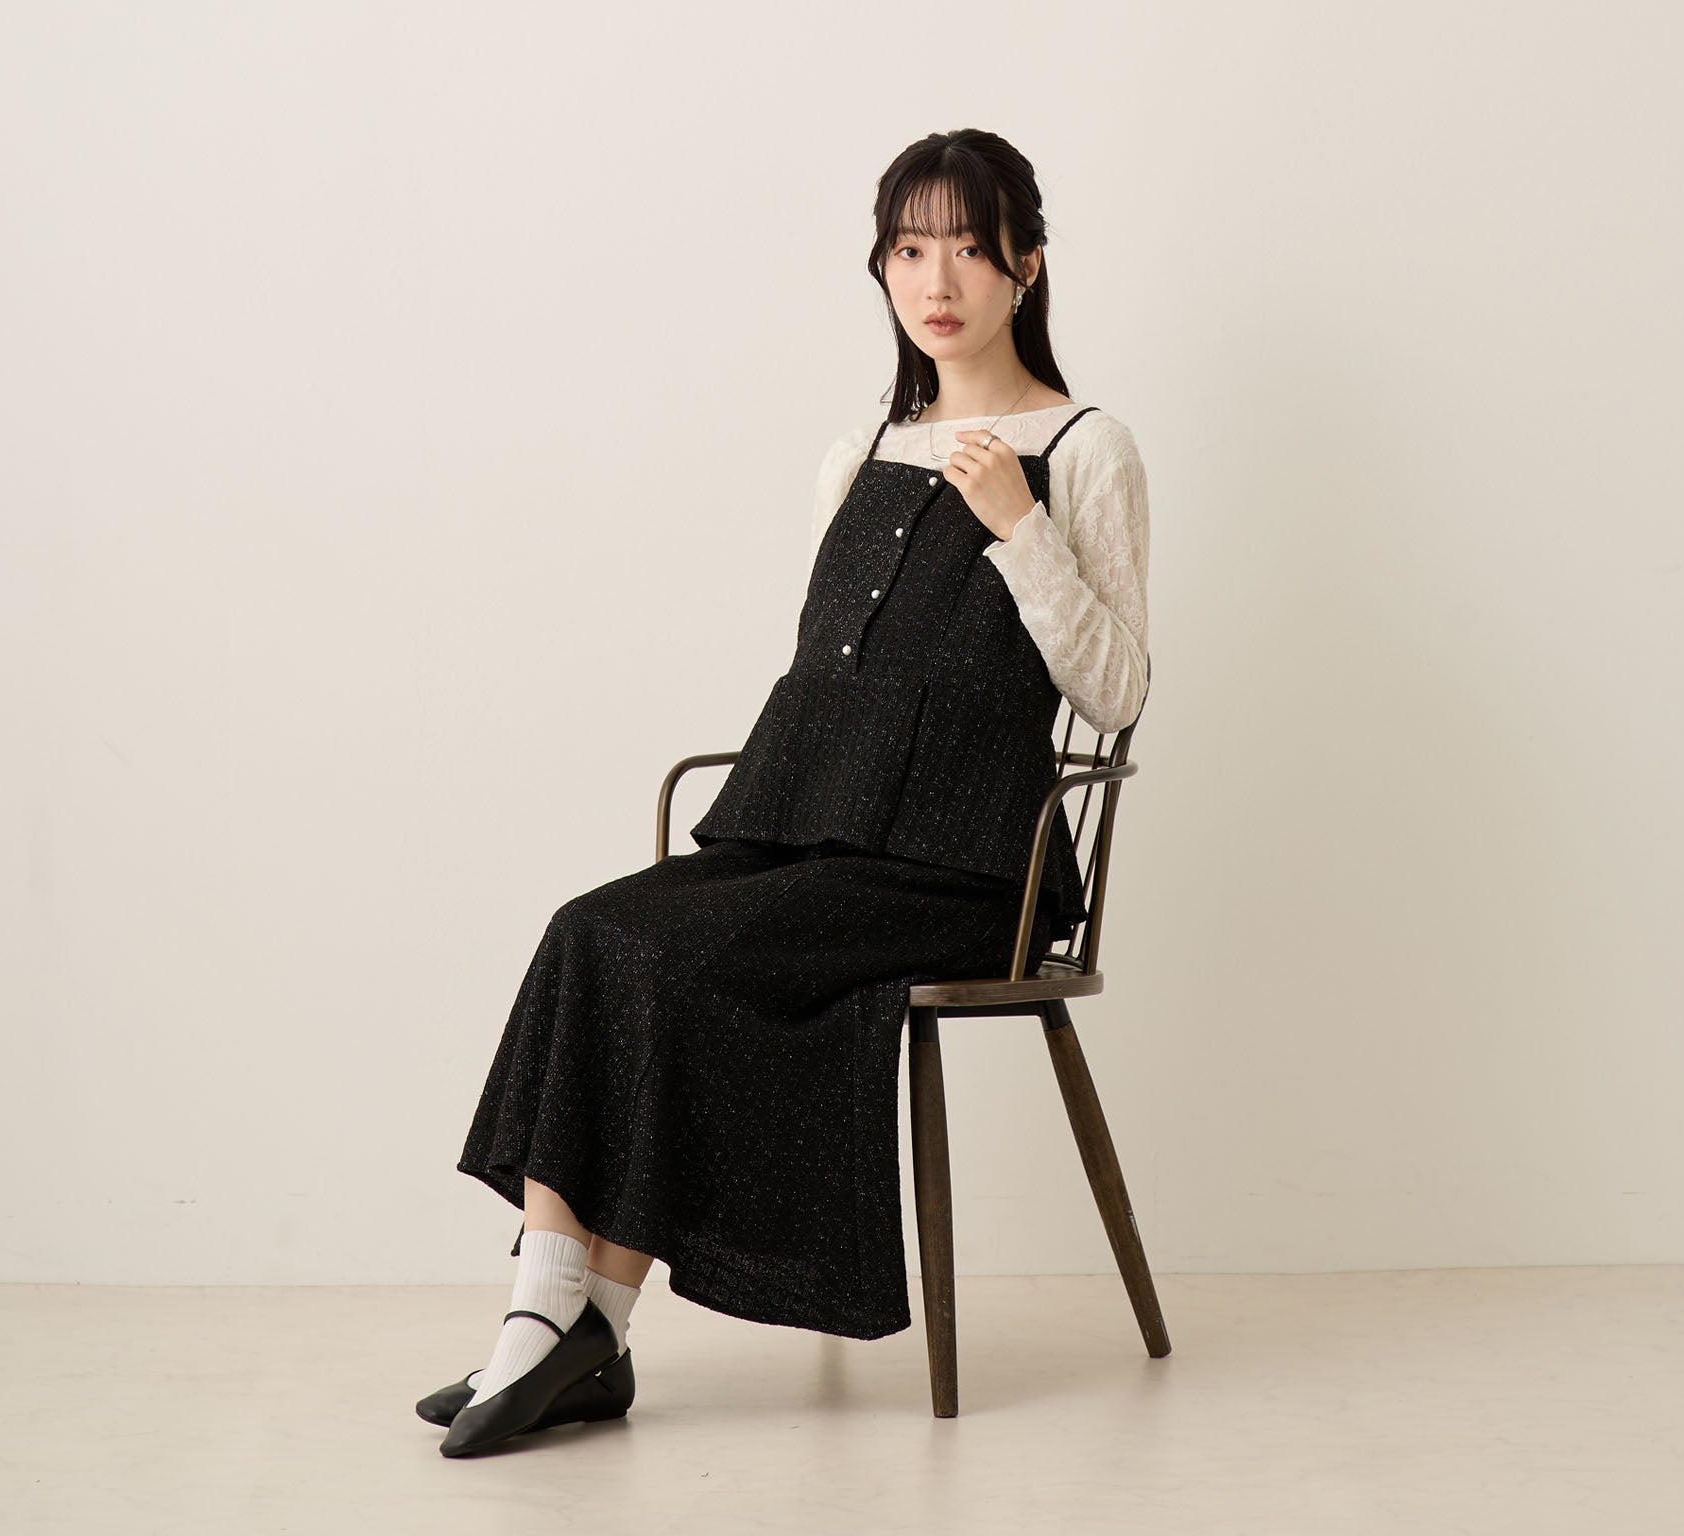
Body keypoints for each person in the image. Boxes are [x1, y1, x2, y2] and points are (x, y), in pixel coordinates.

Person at [426, 127, 1152, 1457]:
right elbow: (837, 681)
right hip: (805, 829)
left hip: (961, 869)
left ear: (1028, 265)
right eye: (909, 249)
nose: (938, 279)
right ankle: (557, 1319)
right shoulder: (859, 449)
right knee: (595, 929)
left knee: (662, 954)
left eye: (971, 248)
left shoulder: (1088, 449)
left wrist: (1021, 528)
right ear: (882, 269)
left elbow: (1116, 691)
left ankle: (571, 1334)